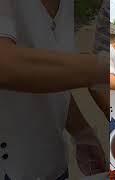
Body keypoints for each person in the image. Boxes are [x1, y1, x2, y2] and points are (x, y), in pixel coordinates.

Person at [0, 0, 107, 179]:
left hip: (51, 163)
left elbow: (48, 74)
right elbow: (5, 66)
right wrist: (100, 69)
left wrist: (82, 131)